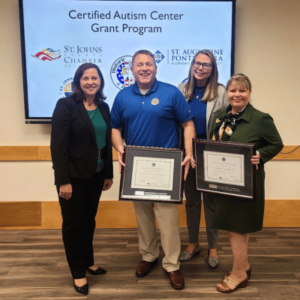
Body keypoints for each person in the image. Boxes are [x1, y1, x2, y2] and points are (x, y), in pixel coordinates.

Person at [111, 50, 195, 290]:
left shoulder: (171, 92)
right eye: (139, 65)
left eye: (149, 64)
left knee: (167, 219)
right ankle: (148, 255)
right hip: (136, 168)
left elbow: (187, 124)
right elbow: (115, 127)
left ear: (156, 68)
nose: (144, 68)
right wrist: (119, 147)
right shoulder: (123, 96)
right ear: (132, 69)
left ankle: (172, 264)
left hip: (167, 168)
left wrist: (188, 152)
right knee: (143, 215)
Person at [209, 74, 283, 293]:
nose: (237, 94)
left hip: (246, 184)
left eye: (242, 90)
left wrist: (260, 154)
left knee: (237, 228)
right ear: (227, 94)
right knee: (233, 227)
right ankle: (244, 265)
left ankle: (239, 273)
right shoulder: (221, 117)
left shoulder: (260, 119)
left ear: (250, 93)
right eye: (233, 90)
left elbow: (276, 144)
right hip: (224, 182)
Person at [50, 63, 113, 295]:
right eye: (85, 78)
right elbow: (58, 146)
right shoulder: (66, 105)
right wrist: (63, 180)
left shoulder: (104, 107)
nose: (90, 82)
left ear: (100, 81)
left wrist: (108, 173)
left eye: (94, 78)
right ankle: (78, 272)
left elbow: (105, 144)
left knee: (89, 221)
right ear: (77, 82)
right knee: (73, 225)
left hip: (97, 175)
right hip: (72, 178)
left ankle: (88, 261)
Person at [178, 50, 228, 267]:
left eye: (206, 65)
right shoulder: (181, 89)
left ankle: (213, 246)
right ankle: (193, 243)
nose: (200, 68)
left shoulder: (221, 91)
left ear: (212, 69)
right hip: (187, 152)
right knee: (192, 201)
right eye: (197, 63)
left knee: (211, 202)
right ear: (191, 65)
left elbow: (228, 124)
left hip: (211, 154)